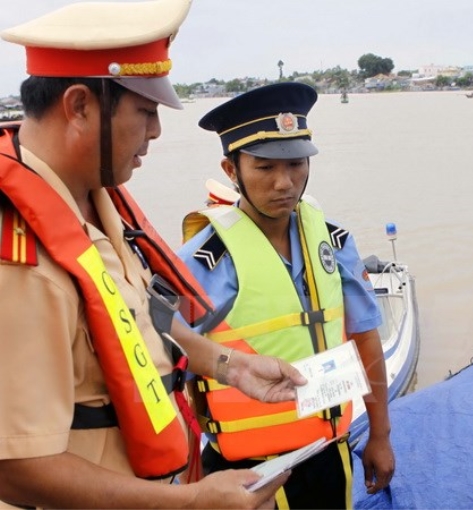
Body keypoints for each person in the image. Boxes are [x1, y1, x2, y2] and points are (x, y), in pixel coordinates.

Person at [0, 1, 308, 508]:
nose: (157, 131)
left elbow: (140, 318)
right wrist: (193, 503)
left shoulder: (96, 200)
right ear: (79, 106)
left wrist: (233, 367)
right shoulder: (21, 261)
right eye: (145, 111)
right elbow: (15, 466)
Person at [177, 82, 395, 509]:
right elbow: (167, 369)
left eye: (296, 164)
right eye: (264, 167)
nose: (285, 183)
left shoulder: (333, 242)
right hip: (245, 476)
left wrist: (381, 435)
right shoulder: (202, 263)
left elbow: (365, 338)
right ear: (230, 169)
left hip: (327, 454)